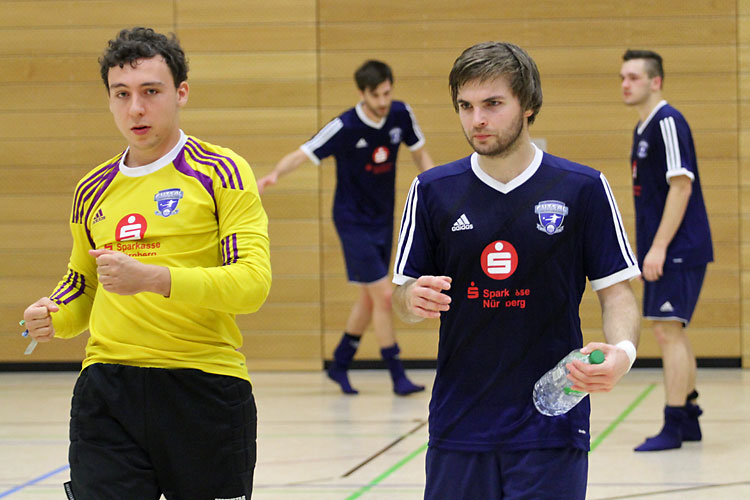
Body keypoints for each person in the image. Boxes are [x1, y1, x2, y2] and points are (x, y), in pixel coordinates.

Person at [22, 27, 271, 499]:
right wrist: (53, 312)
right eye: (122, 94)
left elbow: (252, 284)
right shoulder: (91, 189)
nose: (135, 108)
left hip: (204, 387)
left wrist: (153, 278)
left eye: (150, 92)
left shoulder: (222, 171)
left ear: (180, 93)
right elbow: (82, 282)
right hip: (108, 388)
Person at [392, 41, 641, 499]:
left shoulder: (583, 188)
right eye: (465, 106)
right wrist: (411, 299)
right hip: (460, 424)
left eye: (492, 104)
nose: (477, 120)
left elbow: (617, 292)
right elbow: (401, 300)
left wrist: (623, 351)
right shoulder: (431, 191)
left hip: (550, 423)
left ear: (527, 105)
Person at [257, 60, 433, 395]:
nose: (383, 101)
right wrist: (274, 175)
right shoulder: (346, 126)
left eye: (386, 93)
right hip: (352, 221)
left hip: (383, 218)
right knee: (383, 295)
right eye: (375, 95)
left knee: (369, 300)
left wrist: (436, 188)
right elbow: (304, 152)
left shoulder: (400, 114)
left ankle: (340, 362)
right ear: (362, 93)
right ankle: (397, 373)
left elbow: (421, 156)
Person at [620, 49, 713, 452]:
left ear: (655, 82)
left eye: (634, 77)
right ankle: (689, 416)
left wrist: (658, 249)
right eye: (622, 77)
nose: (625, 84)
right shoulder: (643, 129)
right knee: (671, 329)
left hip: (679, 247)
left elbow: (682, 185)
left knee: (666, 330)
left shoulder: (668, 122)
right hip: (665, 248)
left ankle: (673, 425)